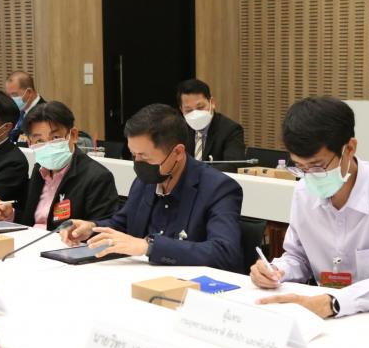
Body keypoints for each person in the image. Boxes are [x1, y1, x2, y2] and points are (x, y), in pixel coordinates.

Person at [249, 97, 369, 318]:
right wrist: (275, 270)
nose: (310, 176)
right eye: (300, 167)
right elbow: (298, 258)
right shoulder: (303, 192)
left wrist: (333, 302)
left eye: (318, 165)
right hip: (319, 312)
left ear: (350, 148)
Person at [60, 103, 243, 272]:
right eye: (133, 155)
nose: (138, 163)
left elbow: (225, 252)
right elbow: (123, 224)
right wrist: (92, 228)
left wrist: (149, 247)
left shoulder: (218, 188)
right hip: (139, 276)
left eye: (144, 156)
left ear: (177, 152)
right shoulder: (144, 182)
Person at [0, 101, 119, 229]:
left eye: (55, 138)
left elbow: (101, 229)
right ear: (30, 143)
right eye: (39, 140)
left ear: (73, 135)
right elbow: (34, 221)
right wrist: (10, 215)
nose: (48, 145)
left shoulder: (97, 177)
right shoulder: (39, 170)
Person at [177, 78, 246, 173]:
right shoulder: (178, 129)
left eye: (200, 107)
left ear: (212, 103)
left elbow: (233, 166)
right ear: (181, 110)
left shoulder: (231, 130)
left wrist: (197, 172)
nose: (195, 114)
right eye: (188, 110)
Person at [4, 71, 45, 143]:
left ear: (29, 92)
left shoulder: (45, 114)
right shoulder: (12, 111)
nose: (10, 99)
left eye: (14, 95)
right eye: (8, 95)